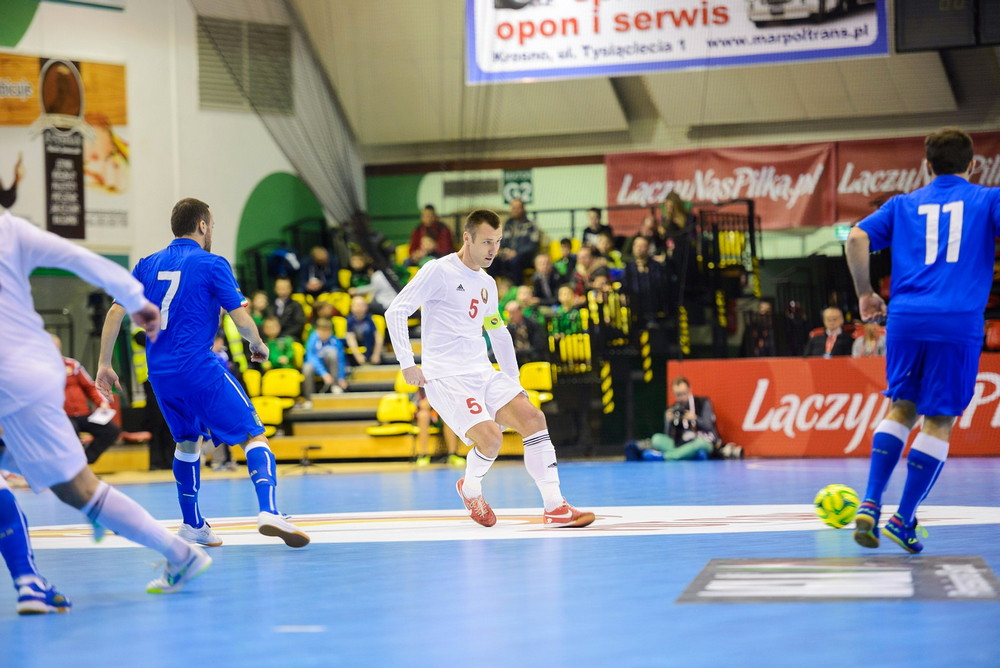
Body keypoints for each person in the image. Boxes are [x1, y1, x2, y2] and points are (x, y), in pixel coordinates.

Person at [0, 209, 211, 605]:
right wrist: (140, 305)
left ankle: (177, 552)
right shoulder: (9, 228)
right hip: (24, 375)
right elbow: (84, 261)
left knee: (77, 488)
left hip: (18, 374)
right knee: (77, 488)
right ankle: (31, 579)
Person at [96, 198, 309, 550]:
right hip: (198, 367)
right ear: (203, 226)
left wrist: (105, 364)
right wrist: (257, 343)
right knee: (254, 434)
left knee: (187, 442)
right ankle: (270, 511)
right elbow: (240, 318)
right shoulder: (212, 264)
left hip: (161, 375)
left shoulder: (146, 264)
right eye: (212, 224)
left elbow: (114, 314)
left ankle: (193, 524)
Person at [386, 209, 595, 528]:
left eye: (497, 242)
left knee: (534, 417)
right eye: (486, 241)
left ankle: (555, 507)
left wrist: (513, 381)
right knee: (491, 439)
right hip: (446, 376)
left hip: (481, 372)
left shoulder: (486, 283)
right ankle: (470, 490)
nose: (493, 249)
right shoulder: (438, 271)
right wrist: (407, 363)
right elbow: (396, 311)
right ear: (467, 238)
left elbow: (497, 331)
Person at [846, 127, 1000, 554]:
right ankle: (903, 518)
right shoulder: (988, 199)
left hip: (907, 319)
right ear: (973, 165)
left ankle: (871, 501)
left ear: (927, 166)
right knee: (938, 419)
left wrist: (865, 293)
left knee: (901, 406)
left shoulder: (902, 204)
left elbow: (857, 237)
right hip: (957, 322)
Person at [624, 377, 740, 461]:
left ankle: (664, 456)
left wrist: (694, 418)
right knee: (656, 439)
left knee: (699, 444)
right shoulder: (674, 408)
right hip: (681, 444)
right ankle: (686, 455)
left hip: (703, 441)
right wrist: (668, 422)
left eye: (683, 393)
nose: (681, 397)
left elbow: (708, 426)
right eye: (678, 394)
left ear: (690, 390)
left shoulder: (703, 403)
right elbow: (669, 436)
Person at [54, 334, 121, 465]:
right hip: (61, 416)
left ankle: (83, 463)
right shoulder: (39, 369)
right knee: (70, 431)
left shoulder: (72, 365)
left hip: (83, 414)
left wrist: (101, 402)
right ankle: (71, 468)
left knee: (111, 431)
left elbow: (90, 387)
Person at [487, 198, 541, 283]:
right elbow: (500, 241)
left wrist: (516, 253)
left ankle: (517, 289)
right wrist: (503, 251)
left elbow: (533, 245)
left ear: (523, 209)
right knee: (491, 261)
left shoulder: (531, 225)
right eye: (513, 208)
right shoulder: (508, 224)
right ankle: (491, 289)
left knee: (515, 261)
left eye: (518, 208)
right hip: (507, 256)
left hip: (525, 258)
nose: (515, 210)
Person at [413, 389, 463, 468]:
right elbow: (423, 405)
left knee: (448, 415)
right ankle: (423, 455)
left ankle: (453, 454)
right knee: (423, 415)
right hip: (429, 415)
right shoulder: (423, 384)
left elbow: (449, 402)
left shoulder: (445, 383)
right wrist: (435, 399)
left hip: (442, 413)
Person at [302, 317, 348, 398]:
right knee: (307, 368)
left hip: (329, 365)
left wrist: (341, 377)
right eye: (321, 331)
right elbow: (312, 358)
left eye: (326, 331)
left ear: (330, 331)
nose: (324, 333)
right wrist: (323, 373)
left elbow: (340, 360)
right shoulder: (312, 339)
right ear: (317, 330)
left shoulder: (335, 341)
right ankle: (309, 398)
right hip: (315, 366)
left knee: (333, 354)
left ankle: (335, 385)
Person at [345, 295, 385, 366]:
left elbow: (378, 337)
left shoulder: (370, 320)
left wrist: (376, 354)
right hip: (357, 352)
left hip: (371, 349)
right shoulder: (349, 321)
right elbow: (350, 338)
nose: (360, 307)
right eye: (357, 305)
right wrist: (358, 356)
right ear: (351, 307)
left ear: (366, 307)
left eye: (362, 305)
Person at [505, 301, 547, 366]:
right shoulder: (509, 328)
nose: (511, 316)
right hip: (516, 359)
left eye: (513, 313)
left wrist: (523, 352)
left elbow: (539, 346)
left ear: (520, 312)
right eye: (508, 314)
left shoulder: (533, 324)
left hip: (533, 357)